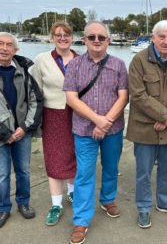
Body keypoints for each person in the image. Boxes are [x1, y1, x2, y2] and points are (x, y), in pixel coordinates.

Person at [63, 21, 129, 244]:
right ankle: (81, 220)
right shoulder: (74, 65)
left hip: (113, 129)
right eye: (92, 37)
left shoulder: (119, 64)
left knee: (111, 167)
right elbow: (71, 98)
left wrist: (106, 123)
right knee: (84, 174)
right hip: (83, 130)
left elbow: (123, 97)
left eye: (101, 37)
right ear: (85, 40)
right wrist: (97, 121)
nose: (97, 41)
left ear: (108, 40)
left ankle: (107, 199)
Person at [126, 20, 167, 229]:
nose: (165, 41)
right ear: (153, 38)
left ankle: (164, 202)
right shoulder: (138, 60)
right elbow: (137, 95)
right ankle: (144, 208)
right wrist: (165, 116)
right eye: (161, 37)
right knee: (143, 171)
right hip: (144, 127)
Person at [32, 21, 78, 226]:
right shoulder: (41, 60)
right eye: (58, 35)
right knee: (54, 158)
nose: (62, 38)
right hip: (53, 115)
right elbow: (35, 92)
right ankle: (56, 204)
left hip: (78, 115)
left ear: (72, 37)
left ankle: (73, 193)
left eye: (66, 35)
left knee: (76, 156)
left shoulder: (81, 59)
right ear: (52, 37)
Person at [0, 32, 43, 228]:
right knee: (2, 174)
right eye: (0, 44)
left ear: (16, 50)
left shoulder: (25, 72)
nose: (4, 48)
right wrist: (6, 134)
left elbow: (35, 101)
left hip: (22, 132)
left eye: (9, 45)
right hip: (2, 135)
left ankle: (23, 203)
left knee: (23, 171)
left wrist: (24, 127)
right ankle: (3, 208)